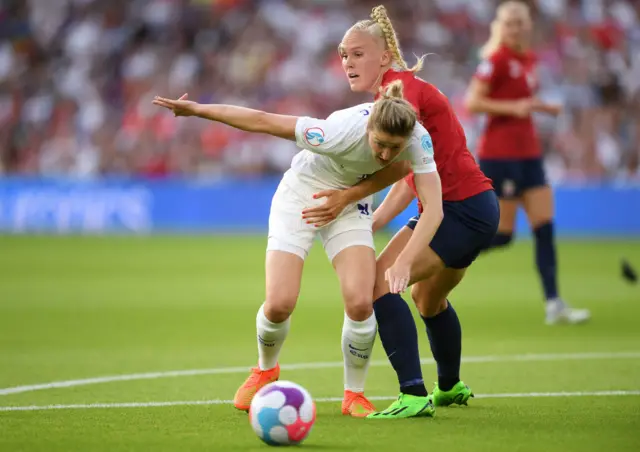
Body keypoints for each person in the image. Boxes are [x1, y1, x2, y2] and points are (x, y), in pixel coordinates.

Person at [152, 82, 442, 418]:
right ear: (368, 129)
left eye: (395, 147)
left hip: (348, 204)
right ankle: (265, 370)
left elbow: (410, 175)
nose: (386, 154)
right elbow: (261, 120)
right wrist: (197, 109)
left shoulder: (417, 139)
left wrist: (349, 200)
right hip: (301, 197)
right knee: (279, 303)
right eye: (380, 144)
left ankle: (354, 394)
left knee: (361, 301)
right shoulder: (335, 132)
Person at [301, 5, 497, 418]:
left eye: (357, 53)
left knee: (379, 284)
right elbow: (413, 177)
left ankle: (412, 394)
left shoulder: (399, 96)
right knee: (427, 300)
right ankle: (448, 386)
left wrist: (349, 197)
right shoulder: (397, 91)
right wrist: (372, 221)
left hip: (457, 210)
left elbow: (406, 168)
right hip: (473, 207)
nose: (347, 62)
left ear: (385, 55)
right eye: (343, 54)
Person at [464, 0, 590, 325]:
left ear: (528, 27)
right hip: (499, 156)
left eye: (521, 24)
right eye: (510, 24)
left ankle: (553, 303)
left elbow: (521, 103)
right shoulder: (496, 60)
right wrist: (515, 108)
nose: (516, 29)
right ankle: (441, 256)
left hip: (529, 154)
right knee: (502, 236)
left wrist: (542, 108)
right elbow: (473, 102)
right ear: (501, 28)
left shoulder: (529, 60)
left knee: (545, 229)